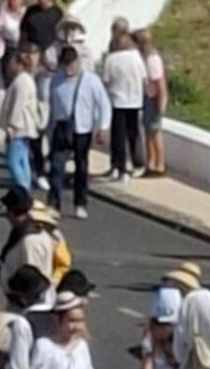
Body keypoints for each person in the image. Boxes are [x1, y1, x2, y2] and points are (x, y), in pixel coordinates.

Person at [46, 45, 110, 220]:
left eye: (71, 64)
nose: (68, 68)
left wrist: (102, 127)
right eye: (65, 64)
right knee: (56, 166)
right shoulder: (56, 80)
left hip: (82, 129)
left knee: (81, 167)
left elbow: (104, 104)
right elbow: (52, 106)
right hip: (61, 128)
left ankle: (80, 203)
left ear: (77, 62)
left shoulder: (90, 80)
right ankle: (54, 203)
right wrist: (48, 127)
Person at [101, 20, 147, 183]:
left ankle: (119, 166)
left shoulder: (111, 59)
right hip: (134, 101)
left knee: (119, 136)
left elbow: (106, 81)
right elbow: (144, 78)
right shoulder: (136, 57)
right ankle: (137, 163)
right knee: (134, 133)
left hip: (118, 101)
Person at [0, 48, 40, 193]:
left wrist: (12, 127)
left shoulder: (22, 81)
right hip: (24, 128)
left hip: (20, 128)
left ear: (17, 63)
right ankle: (25, 189)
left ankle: (22, 189)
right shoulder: (25, 80)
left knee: (13, 161)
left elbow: (18, 105)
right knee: (23, 160)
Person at [137, 29, 168, 176]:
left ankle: (159, 164)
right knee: (149, 132)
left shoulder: (152, 60)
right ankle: (150, 163)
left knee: (154, 133)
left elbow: (160, 84)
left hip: (153, 99)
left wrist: (160, 105)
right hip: (148, 97)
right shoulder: (146, 57)